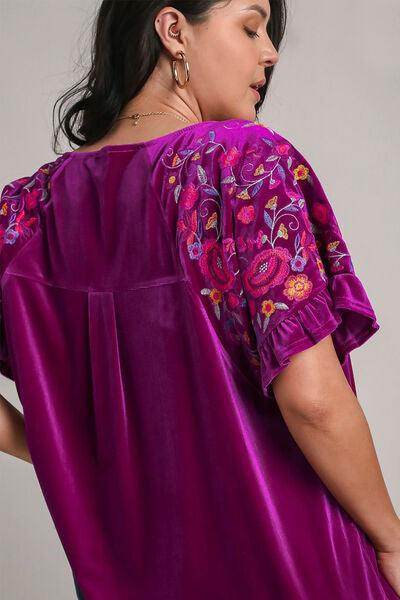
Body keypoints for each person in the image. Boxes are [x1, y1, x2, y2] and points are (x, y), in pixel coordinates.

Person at [0, 1, 399, 598]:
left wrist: (73, 454)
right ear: (173, 31)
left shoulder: (28, 214)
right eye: (251, 26)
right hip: (294, 570)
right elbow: (312, 400)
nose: (271, 52)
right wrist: (392, 539)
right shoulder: (240, 166)